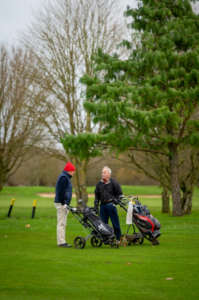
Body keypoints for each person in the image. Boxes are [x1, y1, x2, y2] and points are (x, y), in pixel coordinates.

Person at [94, 166, 123, 241]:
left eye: (104, 173)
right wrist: (96, 205)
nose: (103, 174)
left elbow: (119, 194)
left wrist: (116, 200)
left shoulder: (114, 182)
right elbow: (97, 195)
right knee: (103, 224)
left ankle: (118, 238)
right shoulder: (99, 184)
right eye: (102, 173)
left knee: (115, 223)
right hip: (103, 206)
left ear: (109, 174)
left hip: (111, 205)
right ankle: (106, 239)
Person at [54, 162, 76, 248]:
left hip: (62, 203)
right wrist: (63, 203)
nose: (73, 172)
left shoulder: (65, 177)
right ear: (69, 171)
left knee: (62, 223)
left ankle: (61, 242)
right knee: (61, 224)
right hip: (61, 203)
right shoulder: (64, 178)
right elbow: (61, 192)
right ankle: (61, 243)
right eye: (73, 171)